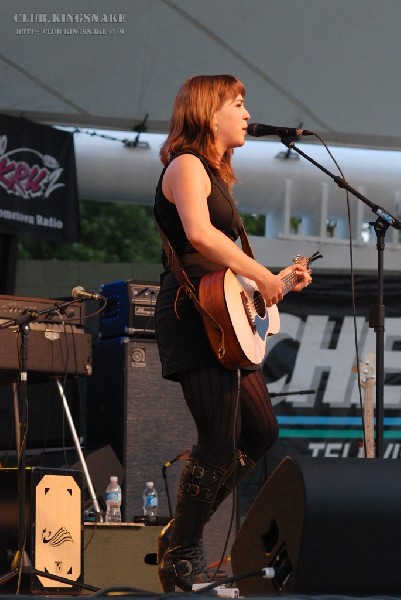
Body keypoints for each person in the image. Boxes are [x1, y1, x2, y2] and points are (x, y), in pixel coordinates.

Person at [153, 74, 312, 593]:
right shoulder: (185, 166)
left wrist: (277, 281)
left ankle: (184, 531)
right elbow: (197, 236)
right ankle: (182, 555)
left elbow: (232, 273)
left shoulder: (219, 178)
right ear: (207, 110)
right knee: (218, 441)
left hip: (221, 313)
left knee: (261, 432)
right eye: (238, 103)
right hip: (192, 312)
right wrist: (263, 275)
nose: (247, 114)